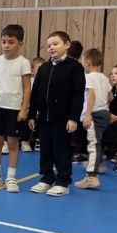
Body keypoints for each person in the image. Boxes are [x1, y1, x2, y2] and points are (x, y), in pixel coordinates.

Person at [28, 31, 86, 196]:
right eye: (49, 46)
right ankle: (46, 178)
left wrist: (73, 118)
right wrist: (32, 114)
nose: (51, 48)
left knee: (62, 150)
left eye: (55, 44)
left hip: (63, 119)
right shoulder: (44, 68)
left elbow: (78, 95)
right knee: (45, 149)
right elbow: (36, 93)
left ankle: (63, 181)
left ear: (67, 44)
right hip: (44, 118)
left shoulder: (75, 68)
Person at [0, 25, 32, 192]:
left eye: (11, 42)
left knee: (12, 143)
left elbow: (26, 88)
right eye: (4, 42)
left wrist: (24, 109)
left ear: (20, 43)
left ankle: (11, 177)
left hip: (13, 109)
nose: (6, 45)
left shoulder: (23, 63)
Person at [74, 48, 112, 189]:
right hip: (104, 113)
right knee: (97, 142)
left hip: (94, 114)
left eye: (83, 61)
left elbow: (91, 95)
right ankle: (94, 170)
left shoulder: (88, 77)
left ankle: (91, 177)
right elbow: (110, 97)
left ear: (88, 62)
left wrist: (88, 114)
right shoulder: (104, 77)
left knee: (93, 144)